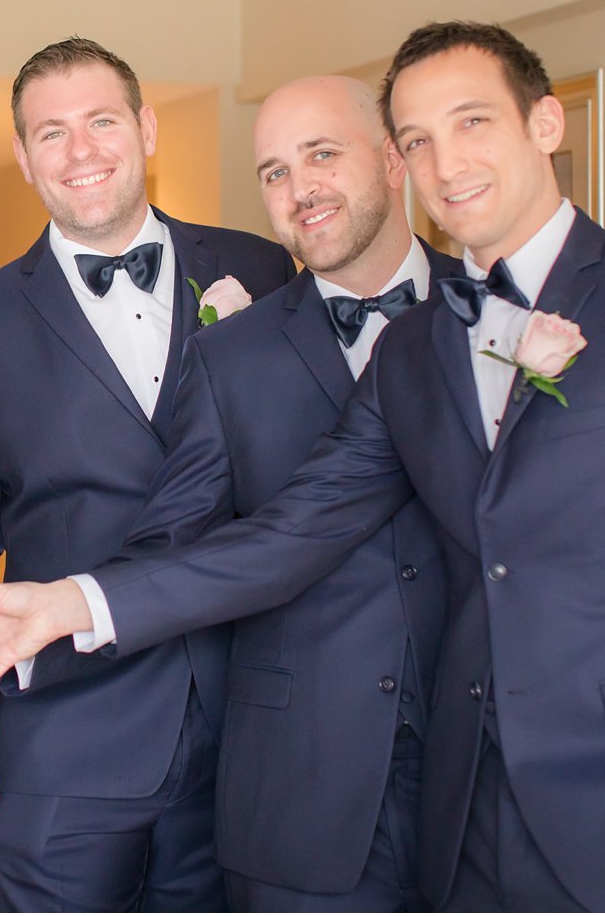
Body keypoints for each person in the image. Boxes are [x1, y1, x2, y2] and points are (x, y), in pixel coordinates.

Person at [0, 21, 605, 912]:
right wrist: (66, 604)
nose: (447, 163)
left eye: (471, 124)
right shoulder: (418, 351)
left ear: (546, 125)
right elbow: (292, 531)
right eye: (421, 138)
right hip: (447, 815)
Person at [0, 37, 294, 911]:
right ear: (21, 157)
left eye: (101, 121)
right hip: (73, 725)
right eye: (51, 133)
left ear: (146, 127)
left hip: (253, 716)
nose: (81, 151)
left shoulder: (261, 269)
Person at [121, 75, 455, 910]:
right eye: (273, 171)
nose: (299, 190)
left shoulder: (500, 312)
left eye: (322, 155)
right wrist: (63, 607)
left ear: (391, 159)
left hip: (488, 764)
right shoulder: (231, 358)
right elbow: (176, 548)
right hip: (301, 787)